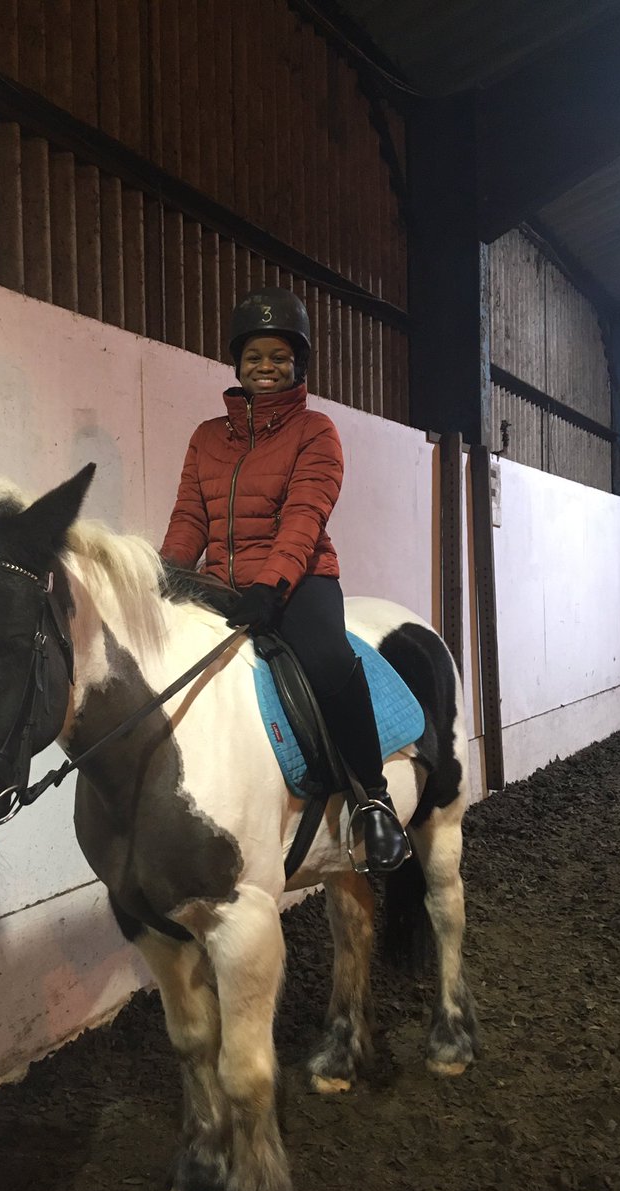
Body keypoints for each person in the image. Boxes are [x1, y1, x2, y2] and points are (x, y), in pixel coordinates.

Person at [160, 286, 409, 873]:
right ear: (237, 363)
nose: (265, 367)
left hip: (298, 580)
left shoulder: (317, 431)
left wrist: (271, 585)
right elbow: (190, 517)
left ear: (298, 364)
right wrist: (163, 576)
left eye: (278, 357)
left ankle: (373, 797)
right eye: (254, 356)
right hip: (218, 582)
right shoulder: (206, 437)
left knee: (326, 660)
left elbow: (304, 516)